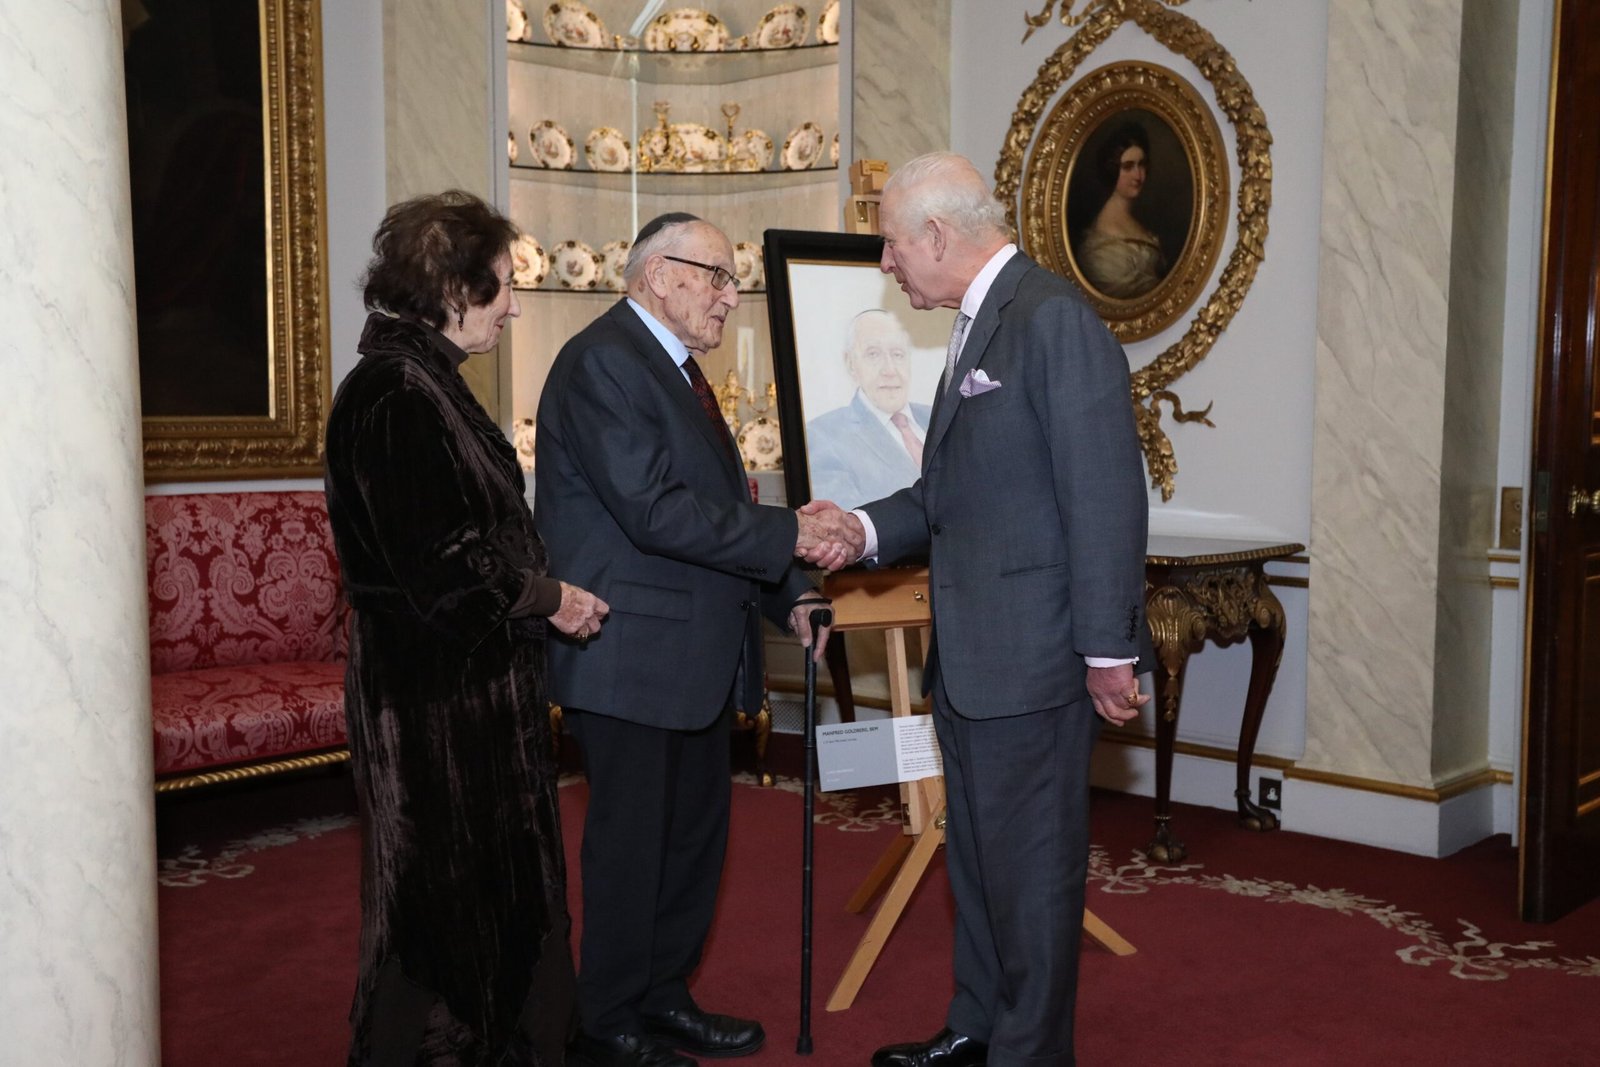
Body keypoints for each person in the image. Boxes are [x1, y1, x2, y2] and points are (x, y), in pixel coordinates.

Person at [801, 153, 1151, 1067]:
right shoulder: (975, 324)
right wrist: (859, 529)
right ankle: (976, 1028)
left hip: (1035, 663)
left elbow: (1106, 496)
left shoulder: (1052, 323)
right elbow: (944, 493)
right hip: (976, 659)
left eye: (889, 243)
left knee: (1032, 876)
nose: (884, 264)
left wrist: (1109, 650)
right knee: (979, 863)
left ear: (935, 237)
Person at [534, 212, 838, 1067]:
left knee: (693, 842)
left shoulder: (675, 372)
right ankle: (608, 1023)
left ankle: (663, 998)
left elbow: (723, 514)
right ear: (656, 275)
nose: (730, 297)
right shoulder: (603, 362)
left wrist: (794, 598)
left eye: (731, 279)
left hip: (696, 658)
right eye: (715, 275)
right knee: (632, 848)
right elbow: (656, 511)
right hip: (631, 655)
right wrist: (794, 535)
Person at [324, 190, 610, 1066]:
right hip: (429, 707)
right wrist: (549, 596)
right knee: (439, 901)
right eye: (499, 288)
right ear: (449, 288)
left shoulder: (424, 381)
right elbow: (443, 568)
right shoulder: (394, 394)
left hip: (468, 695)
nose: (513, 304)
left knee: (498, 890)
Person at [805, 309, 931, 511]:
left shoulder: (939, 416)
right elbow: (848, 528)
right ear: (850, 363)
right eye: (873, 354)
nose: (889, 370)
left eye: (898, 354)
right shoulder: (822, 436)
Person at [1077, 121, 1167, 299]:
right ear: (1112, 169)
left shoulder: (1135, 221)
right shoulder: (1101, 239)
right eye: (1128, 167)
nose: (1138, 175)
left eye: (1141, 164)